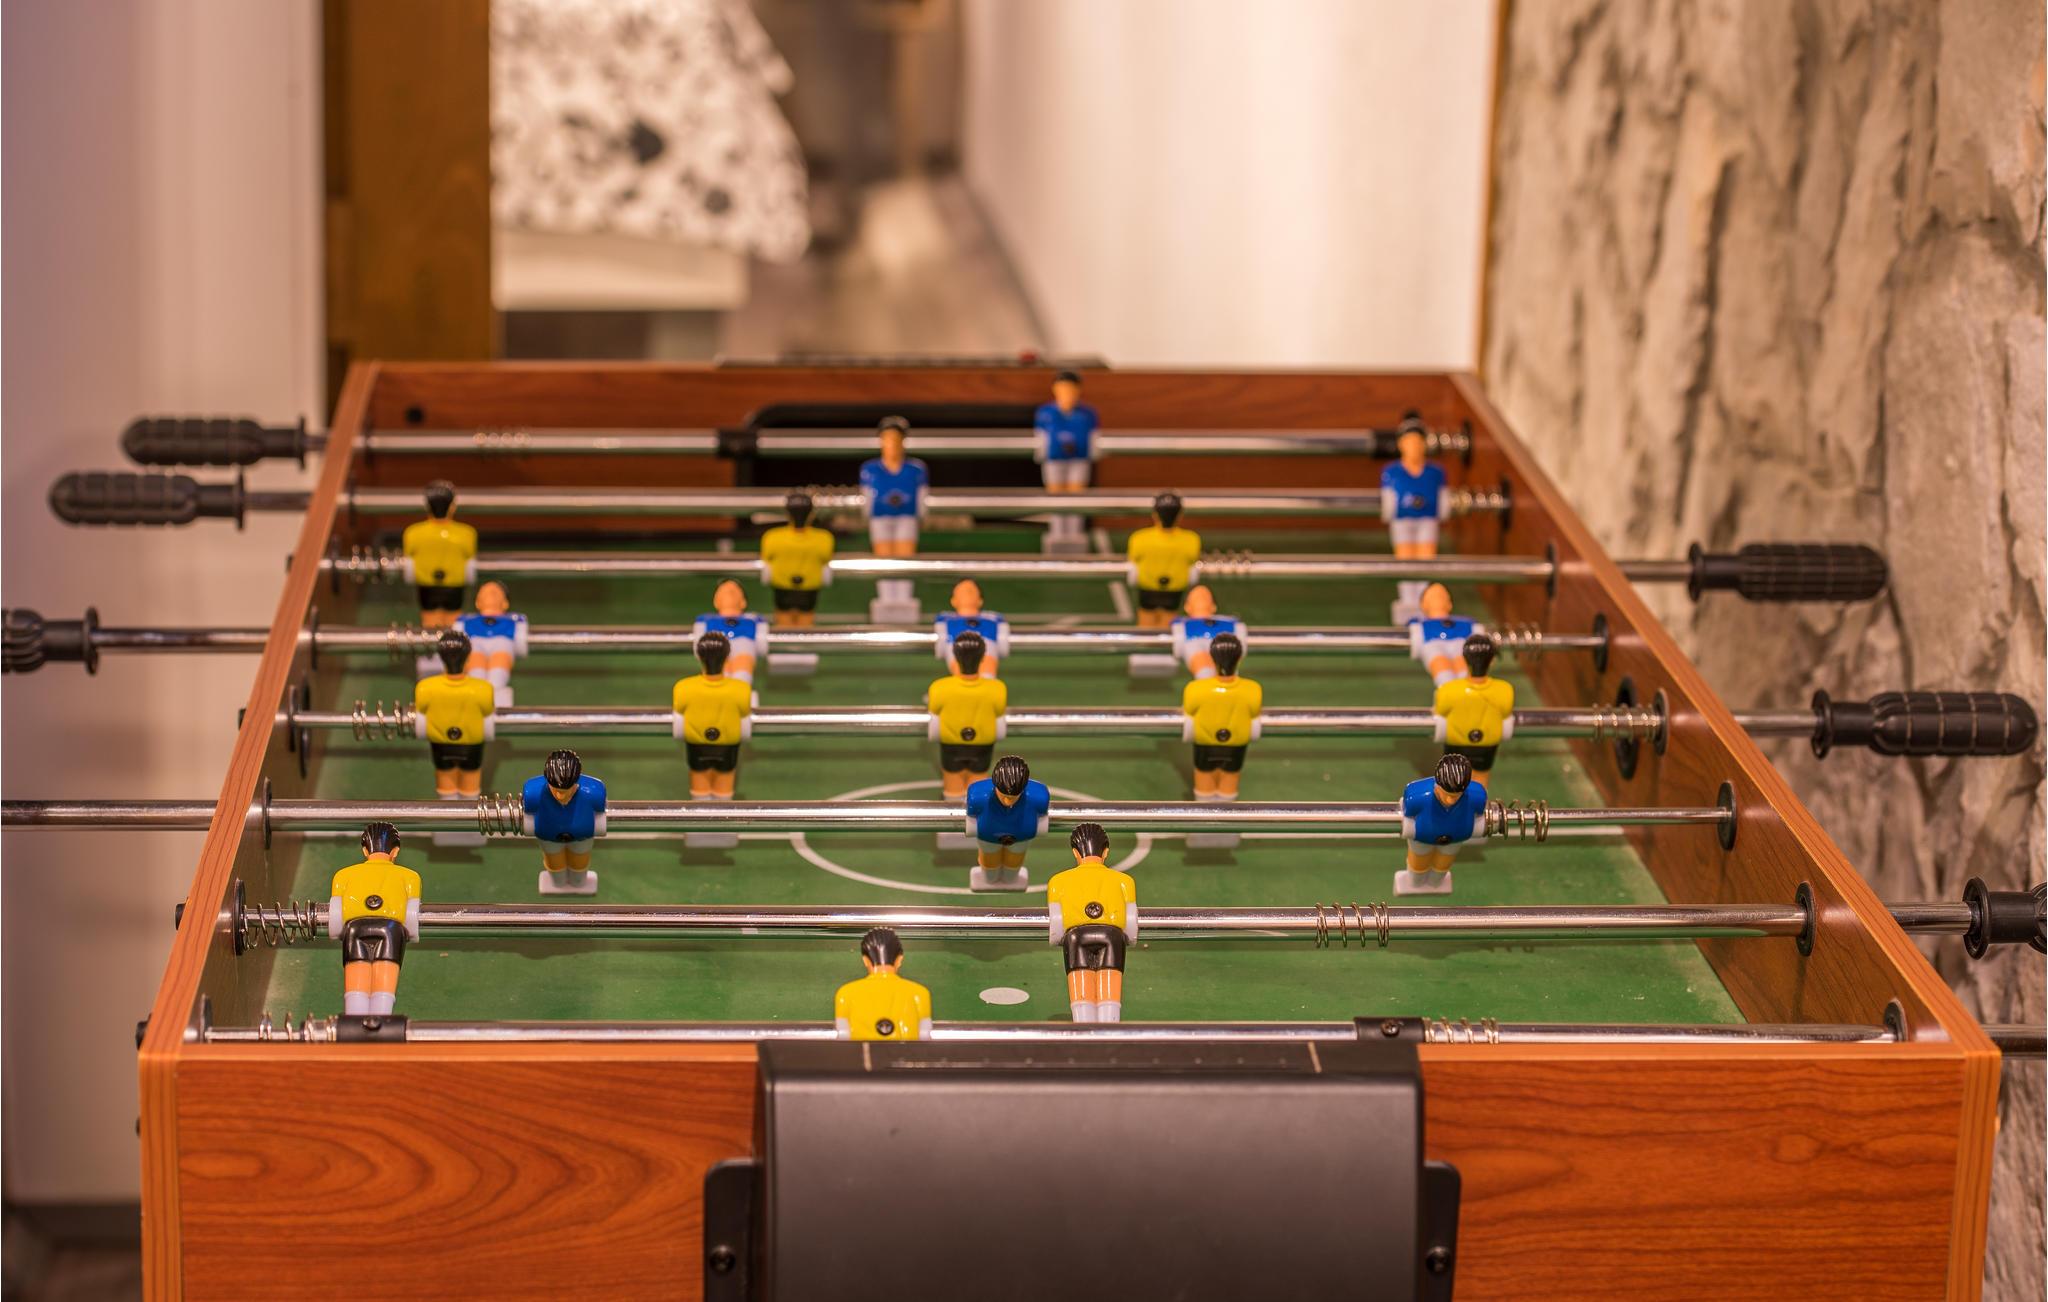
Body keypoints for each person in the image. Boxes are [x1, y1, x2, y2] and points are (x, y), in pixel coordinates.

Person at [327, 821, 422, 1016]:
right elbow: (411, 915)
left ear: (365, 850)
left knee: (357, 981)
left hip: (355, 928)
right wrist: (411, 933)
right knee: (383, 983)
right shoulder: (410, 876)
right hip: (391, 929)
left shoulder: (343, 875)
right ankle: (381, 1018)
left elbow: (335, 916)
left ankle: (354, 1018)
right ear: (395, 851)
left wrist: (338, 931)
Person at [1046, 823, 1138, 1023]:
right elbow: (1131, 924)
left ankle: (1083, 1025)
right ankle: (1109, 1024)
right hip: (1112, 936)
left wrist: (1058, 937)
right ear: (1105, 852)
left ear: (1075, 853)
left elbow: (1056, 925)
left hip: (1076, 937)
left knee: (1081, 984)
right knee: (1110, 985)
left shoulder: (1058, 881)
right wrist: (1129, 938)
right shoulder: (1124, 881)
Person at [413, 629, 496, 798]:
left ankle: (448, 806)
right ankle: (469, 807)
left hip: (440, 744)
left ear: (441, 657)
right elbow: (488, 710)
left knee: (445, 784)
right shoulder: (483, 689)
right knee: (470, 785)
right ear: (468, 658)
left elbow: (421, 708)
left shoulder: (424, 687)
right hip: (471, 745)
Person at [1379, 413, 1449, 615]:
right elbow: (1388, 500)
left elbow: (1443, 497)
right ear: (1401, 444)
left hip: (1427, 519)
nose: (1414, 447)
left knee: (1426, 558)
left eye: (1418, 442)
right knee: (1405, 558)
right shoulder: (1392, 472)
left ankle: (1423, 600)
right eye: (1410, 442)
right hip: (1403, 520)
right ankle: (1408, 600)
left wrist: (1441, 510)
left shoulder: (1435, 472)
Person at [671, 631, 754, 799]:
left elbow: (679, 708)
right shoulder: (742, 689)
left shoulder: (683, 687)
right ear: (727, 657)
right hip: (727, 746)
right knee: (724, 789)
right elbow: (745, 711)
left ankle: (701, 807)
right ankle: (722, 809)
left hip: (697, 745)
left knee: (699, 788)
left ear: (699, 656)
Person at [926, 630, 1009, 799]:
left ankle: (952, 808)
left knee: (952, 788)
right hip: (982, 745)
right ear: (983, 657)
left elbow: (934, 708)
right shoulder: (998, 688)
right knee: (978, 789)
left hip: (951, 744)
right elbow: (999, 710)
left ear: (955, 656)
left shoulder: (939, 687)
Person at [1180, 632, 1261, 800]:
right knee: (1229, 783)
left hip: (1205, 744)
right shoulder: (1253, 689)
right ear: (1239, 659)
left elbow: (1189, 709)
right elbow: (1254, 711)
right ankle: (1226, 813)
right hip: (1236, 745)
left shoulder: (1195, 689)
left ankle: (1204, 812)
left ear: (1212, 659)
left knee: (1204, 784)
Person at [1397, 753, 1487, 895]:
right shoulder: (1415, 797)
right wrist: (1409, 829)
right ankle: (1415, 883)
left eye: (1456, 796)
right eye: (1446, 794)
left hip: (1454, 840)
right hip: (1421, 839)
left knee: (1442, 865)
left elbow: (1480, 817)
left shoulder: (1477, 797)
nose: (1450, 800)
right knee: (1419, 864)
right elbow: (1407, 817)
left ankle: (1436, 883)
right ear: (1436, 785)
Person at [521, 748, 607, 895]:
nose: (560, 796)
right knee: (555, 864)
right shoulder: (532, 794)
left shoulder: (595, 793)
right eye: (556, 790)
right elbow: (528, 812)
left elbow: (600, 811)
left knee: (579, 863)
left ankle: (579, 882)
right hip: (549, 838)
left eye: (566, 790)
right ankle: (558, 883)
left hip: (582, 838)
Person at [963, 754, 1050, 892]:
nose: (1007, 801)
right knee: (990, 868)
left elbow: (1043, 815)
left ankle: (1010, 879)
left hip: (1020, 838)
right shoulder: (977, 796)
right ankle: (990, 879)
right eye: (1003, 795)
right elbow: (971, 815)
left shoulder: (1039, 798)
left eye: (1013, 797)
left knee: (1013, 867)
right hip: (989, 838)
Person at [402, 480, 477, 632]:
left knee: (429, 622)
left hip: (427, 585)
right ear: (452, 506)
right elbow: (470, 559)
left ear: (427, 506)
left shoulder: (413, 533)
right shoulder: (467, 534)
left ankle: (432, 645)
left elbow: (408, 560)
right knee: (453, 625)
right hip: (454, 585)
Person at [1432, 633, 1514, 773]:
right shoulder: (1505, 689)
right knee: (1481, 779)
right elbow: (1506, 711)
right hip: (1487, 745)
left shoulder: (1448, 690)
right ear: (1492, 661)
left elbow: (1440, 710)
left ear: (1465, 659)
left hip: (1456, 743)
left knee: (1453, 779)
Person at [833, 927, 934, 1041]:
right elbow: (925, 1035)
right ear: (899, 960)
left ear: (865, 960)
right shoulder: (920, 993)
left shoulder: (845, 993)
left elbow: (843, 1035)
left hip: (861, 1051)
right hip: (906, 1051)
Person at [1035, 370, 1099, 546]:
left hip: (1079, 459)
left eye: (1071, 389)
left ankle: (1074, 534)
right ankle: (1057, 533)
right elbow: (1040, 437)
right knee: (1055, 497)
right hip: (1054, 459)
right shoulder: (1045, 413)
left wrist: (1091, 453)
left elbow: (1094, 438)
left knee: (1076, 497)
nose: (1067, 394)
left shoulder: (1088, 414)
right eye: (1063, 389)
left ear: (1078, 390)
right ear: (1055, 390)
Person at [1125, 493, 1202, 630]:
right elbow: (1193, 559)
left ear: (1155, 514)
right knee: (1168, 628)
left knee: (1145, 627)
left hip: (1147, 590)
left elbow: (1133, 558)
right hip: (1174, 591)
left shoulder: (1139, 538)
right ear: (1180, 515)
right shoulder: (1191, 539)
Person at [759, 492, 835, 629]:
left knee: (783, 624)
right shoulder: (824, 538)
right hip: (809, 588)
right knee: (806, 625)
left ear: (788, 513)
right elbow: (826, 557)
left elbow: (766, 556)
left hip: (782, 587)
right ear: (811, 514)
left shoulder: (772, 537)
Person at [457, 581, 528, 705]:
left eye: (496, 593)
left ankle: (497, 702)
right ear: (477, 602)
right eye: (485, 593)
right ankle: (476, 701)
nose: (490, 594)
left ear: (505, 603)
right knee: (476, 675)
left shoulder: (516, 620)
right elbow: (458, 644)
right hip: (475, 644)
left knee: (497, 677)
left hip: (503, 644)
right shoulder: (465, 620)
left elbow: (521, 646)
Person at [1408, 582, 1483, 687]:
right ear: (1423, 605)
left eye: (1443, 596)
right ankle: (1446, 688)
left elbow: (1477, 633)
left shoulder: (1465, 622)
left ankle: (1464, 687)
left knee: (1462, 664)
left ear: (1450, 604)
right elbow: (1416, 638)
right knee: (1439, 663)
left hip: (1460, 643)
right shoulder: (1420, 623)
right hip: (1432, 643)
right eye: (1433, 597)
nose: (1438, 598)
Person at [933, 578, 1010, 678]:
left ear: (980, 601)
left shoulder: (993, 619)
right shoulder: (946, 619)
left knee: (987, 665)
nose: (968, 593)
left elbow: (1003, 645)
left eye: (972, 591)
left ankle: (986, 682)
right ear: (953, 601)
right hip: (957, 645)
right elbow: (941, 644)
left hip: (987, 646)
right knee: (960, 666)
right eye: (962, 592)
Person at [693, 579, 765, 683]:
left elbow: (762, 644)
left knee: (743, 665)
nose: (730, 591)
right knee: (717, 668)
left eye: (734, 591)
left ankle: (742, 686)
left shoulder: (753, 619)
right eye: (723, 591)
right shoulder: (706, 620)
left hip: (744, 646)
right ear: (716, 602)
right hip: (717, 648)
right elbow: (699, 644)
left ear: (743, 602)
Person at [1170, 585, 1244, 679]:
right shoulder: (1181, 625)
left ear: (1214, 607)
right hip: (1193, 642)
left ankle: (1226, 679)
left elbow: (1240, 643)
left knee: (1226, 663)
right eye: (1196, 597)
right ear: (1187, 607)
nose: (1201, 597)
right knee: (1203, 667)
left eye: (1205, 596)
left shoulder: (1230, 623)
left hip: (1223, 644)